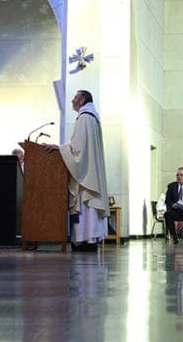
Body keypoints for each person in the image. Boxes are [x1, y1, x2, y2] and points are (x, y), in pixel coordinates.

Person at [45, 90, 109, 252]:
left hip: (85, 173)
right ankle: (90, 238)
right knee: (89, 205)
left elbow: (78, 149)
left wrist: (59, 149)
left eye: (74, 98)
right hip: (90, 169)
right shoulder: (92, 117)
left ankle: (84, 239)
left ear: (81, 100)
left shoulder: (84, 117)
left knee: (85, 202)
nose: (72, 101)